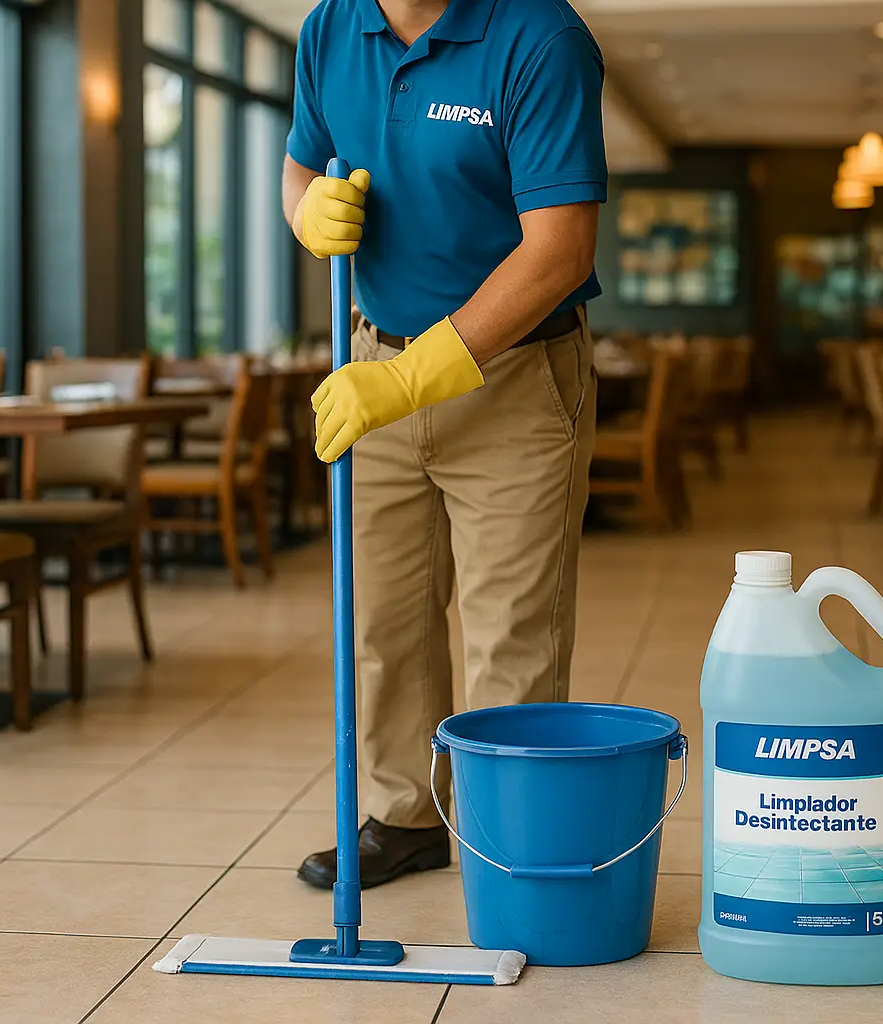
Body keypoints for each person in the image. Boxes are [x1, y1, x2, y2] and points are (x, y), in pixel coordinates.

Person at [280, 0, 606, 889]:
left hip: (514, 378)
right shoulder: (329, 29)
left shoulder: (540, 38)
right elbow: (302, 165)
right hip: (374, 366)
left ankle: (510, 845)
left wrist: (414, 376)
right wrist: (306, 212)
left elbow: (561, 251)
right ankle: (406, 817)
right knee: (383, 621)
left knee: (511, 636)